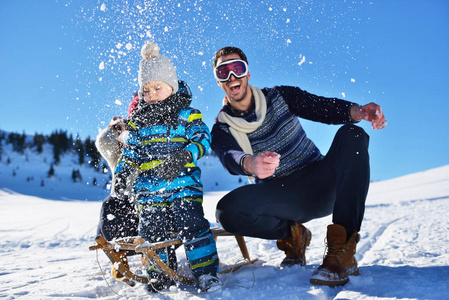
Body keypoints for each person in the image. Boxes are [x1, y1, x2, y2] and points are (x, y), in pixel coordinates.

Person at [210, 46, 387, 287]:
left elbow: (319, 106)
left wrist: (356, 111)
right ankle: (292, 235)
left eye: (237, 68)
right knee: (226, 211)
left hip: (319, 182)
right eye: (223, 72)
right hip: (281, 197)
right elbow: (229, 155)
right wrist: (250, 163)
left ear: (248, 74)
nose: (232, 77)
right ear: (218, 80)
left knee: (352, 135)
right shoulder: (222, 127)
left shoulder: (280, 96)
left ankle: (341, 253)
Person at [111, 42, 220, 293]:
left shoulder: (187, 115)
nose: (150, 94)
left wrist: (183, 157)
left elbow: (203, 140)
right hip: (150, 191)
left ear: (171, 86)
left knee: (191, 223)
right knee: (152, 230)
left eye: (156, 87)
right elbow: (130, 153)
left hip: (184, 186)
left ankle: (206, 272)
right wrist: (122, 174)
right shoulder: (139, 124)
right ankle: (160, 274)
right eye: (145, 90)